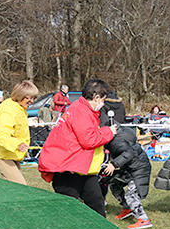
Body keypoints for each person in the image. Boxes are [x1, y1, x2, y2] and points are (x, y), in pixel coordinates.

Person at [38, 79, 117, 217]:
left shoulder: (82, 110)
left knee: (97, 204)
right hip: (68, 169)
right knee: (68, 211)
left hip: (80, 168)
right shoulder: (81, 111)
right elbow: (89, 140)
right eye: (103, 99)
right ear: (96, 97)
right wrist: (108, 132)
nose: (103, 104)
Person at [102, 121, 153, 229]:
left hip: (139, 169)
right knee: (115, 185)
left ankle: (144, 219)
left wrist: (114, 164)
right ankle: (127, 208)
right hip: (128, 167)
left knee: (131, 195)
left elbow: (128, 153)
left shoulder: (117, 141)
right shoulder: (120, 135)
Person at [0, 80, 38, 184]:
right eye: (29, 98)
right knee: (20, 186)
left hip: (10, 153)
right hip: (1, 154)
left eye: (34, 98)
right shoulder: (8, 110)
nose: (32, 101)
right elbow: (1, 134)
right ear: (20, 96)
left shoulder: (19, 108)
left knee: (16, 188)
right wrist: (17, 144)